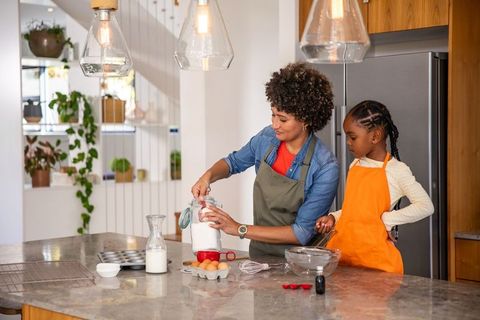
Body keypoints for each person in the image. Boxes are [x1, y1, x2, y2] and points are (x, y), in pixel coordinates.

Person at [191, 62, 339, 257]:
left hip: (300, 263)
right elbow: (233, 163)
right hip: (259, 255)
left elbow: (302, 232)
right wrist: (207, 176)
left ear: (306, 119)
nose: (275, 124)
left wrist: (238, 228)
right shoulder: (267, 139)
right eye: (273, 115)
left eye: (283, 119)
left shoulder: (325, 166)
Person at [316, 100, 434, 274]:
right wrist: (333, 217)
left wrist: (388, 220)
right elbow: (355, 210)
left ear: (375, 136)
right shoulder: (355, 165)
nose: (348, 142)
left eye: (353, 137)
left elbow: (426, 206)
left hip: (376, 264)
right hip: (344, 258)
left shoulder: (396, 170)